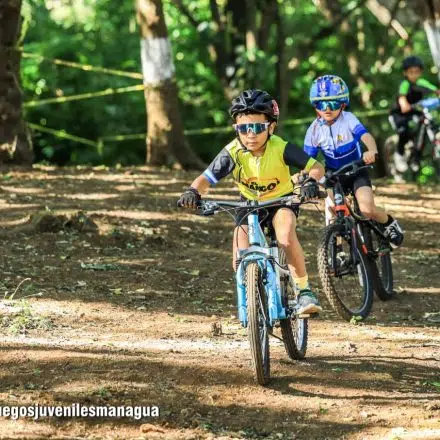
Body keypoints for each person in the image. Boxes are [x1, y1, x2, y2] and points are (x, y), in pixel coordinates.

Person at [178, 89, 325, 316]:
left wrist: (310, 182)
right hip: (248, 205)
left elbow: (316, 167)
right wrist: (192, 191)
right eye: (243, 128)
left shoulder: (280, 147)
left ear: (271, 128)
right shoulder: (233, 152)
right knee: (239, 256)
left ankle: (303, 290)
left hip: (281, 201)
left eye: (257, 128)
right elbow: (206, 178)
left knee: (285, 236)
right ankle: (251, 296)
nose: (250, 135)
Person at [304, 74, 404, 248]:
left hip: (356, 170)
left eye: (333, 104)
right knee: (332, 211)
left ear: (343, 104)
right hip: (334, 175)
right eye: (321, 104)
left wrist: (371, 150)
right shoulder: (313, 130)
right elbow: (306, 161)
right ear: (315, 106)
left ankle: (389, 224)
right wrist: (306, 178)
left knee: (367, 209)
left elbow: (365, 136)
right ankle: (336, 251)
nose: (327, 109)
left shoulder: (348, 119)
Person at [390, 55, 440, 173]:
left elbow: (436, 91)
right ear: (405, 73)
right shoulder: (405, 84)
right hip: (400, 114)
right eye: (411, 72)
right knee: (403, 132)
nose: (414, 75)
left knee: (429, 124)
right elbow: (402, 96)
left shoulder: (422, 82)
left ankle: (417, 157)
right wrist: (404, 104)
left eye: (417, 72)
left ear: (421, 72)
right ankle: (399, 154)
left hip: (415, 111)